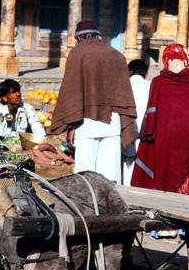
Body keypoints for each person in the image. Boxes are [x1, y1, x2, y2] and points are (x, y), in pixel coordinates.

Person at [48, 19, 136, 184]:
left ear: (79, 38)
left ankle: (85, 209)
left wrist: (70, 126)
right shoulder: (117, 55)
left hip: (86, 124)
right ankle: (111, 209)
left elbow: (71, 92)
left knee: (85, 179)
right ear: (98, 36)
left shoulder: (78, 53)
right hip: (113, 123)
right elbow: (124, 93)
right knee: (110, 178)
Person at [131, 43, 189, 195]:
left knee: (162, 186)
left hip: (163, 144)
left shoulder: (158, 82)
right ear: (186, 61)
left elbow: (151, 120)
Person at [122, 59, 151, 185]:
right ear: (146, 74)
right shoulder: (151, 86)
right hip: (144, 134)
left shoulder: (122, 86)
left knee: (124, 169)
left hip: (124, 133)